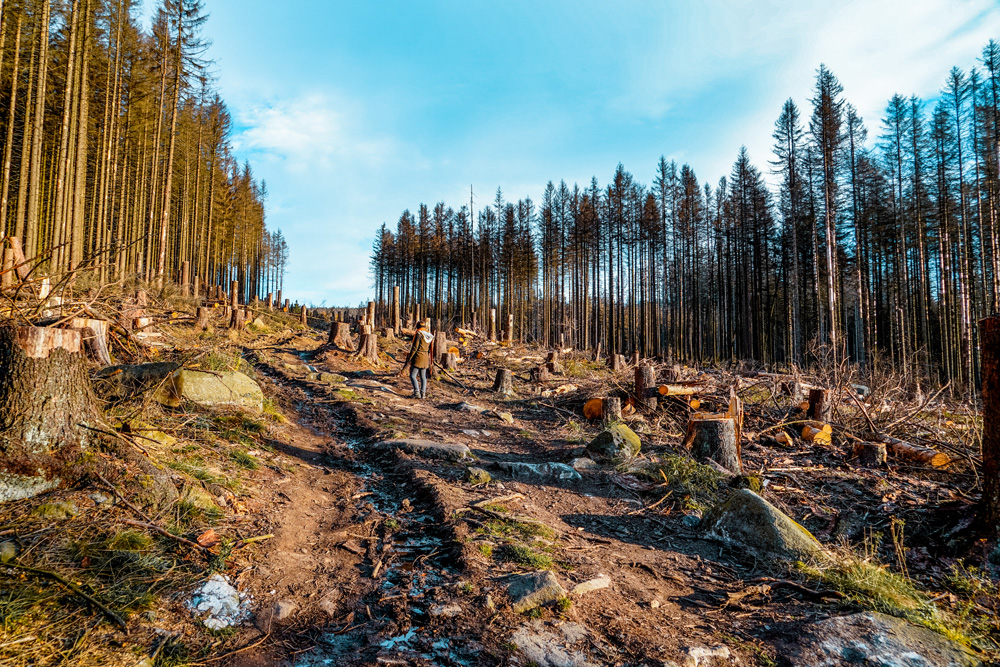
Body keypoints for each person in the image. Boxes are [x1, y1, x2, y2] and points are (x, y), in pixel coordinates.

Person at [402, 320, 434, 398]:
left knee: (412, 375)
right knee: (423, 377)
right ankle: (423, 393)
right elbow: (431, 349)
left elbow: (415, 347)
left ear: (417, 326)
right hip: (425, 357)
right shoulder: (430, 335)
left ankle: (416, 393)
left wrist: (410, 357)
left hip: (418, 357)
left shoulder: (419, 334)